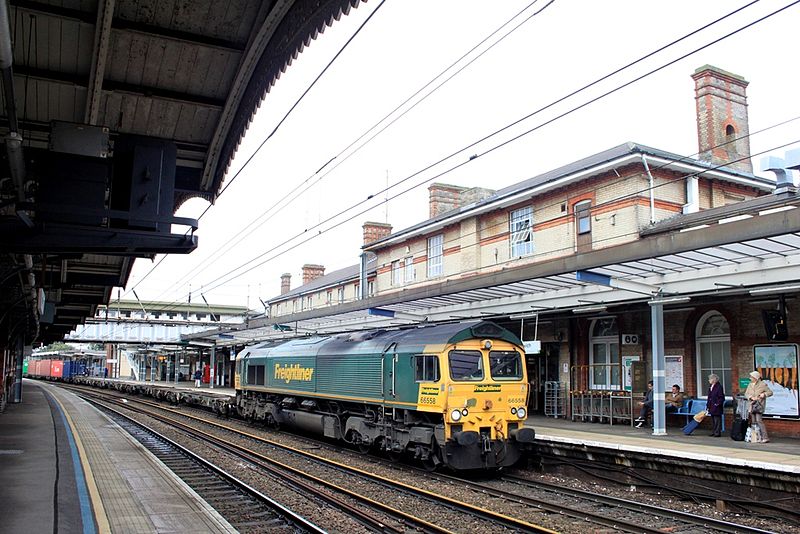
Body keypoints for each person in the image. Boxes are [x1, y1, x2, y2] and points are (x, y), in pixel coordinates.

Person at [745, 370, 772, 443]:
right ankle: (755, 437)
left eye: (751, 377)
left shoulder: (762, 384)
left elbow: (770, 392)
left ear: (756, 378)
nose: (750, 378)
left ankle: (765, 437)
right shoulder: (750, 384)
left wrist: (764, 394)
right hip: (752, 405)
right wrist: (750, 397)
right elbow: (746, 394)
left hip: (759, 405)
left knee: (759, 421)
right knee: (753, 421)